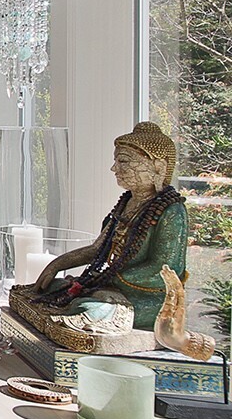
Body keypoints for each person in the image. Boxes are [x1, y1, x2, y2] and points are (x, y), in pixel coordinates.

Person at [26, 121, 188, 338]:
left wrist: (109, 279)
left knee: (91, 308)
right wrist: (58, 263)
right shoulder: (127, 203)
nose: (114, 169)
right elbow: (98, 249)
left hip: (147, 298)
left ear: (158, 167)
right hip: (109, 286)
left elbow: (164, 270)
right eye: (116, 161)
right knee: (51, 288)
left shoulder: (171, 211)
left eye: (123, 162)